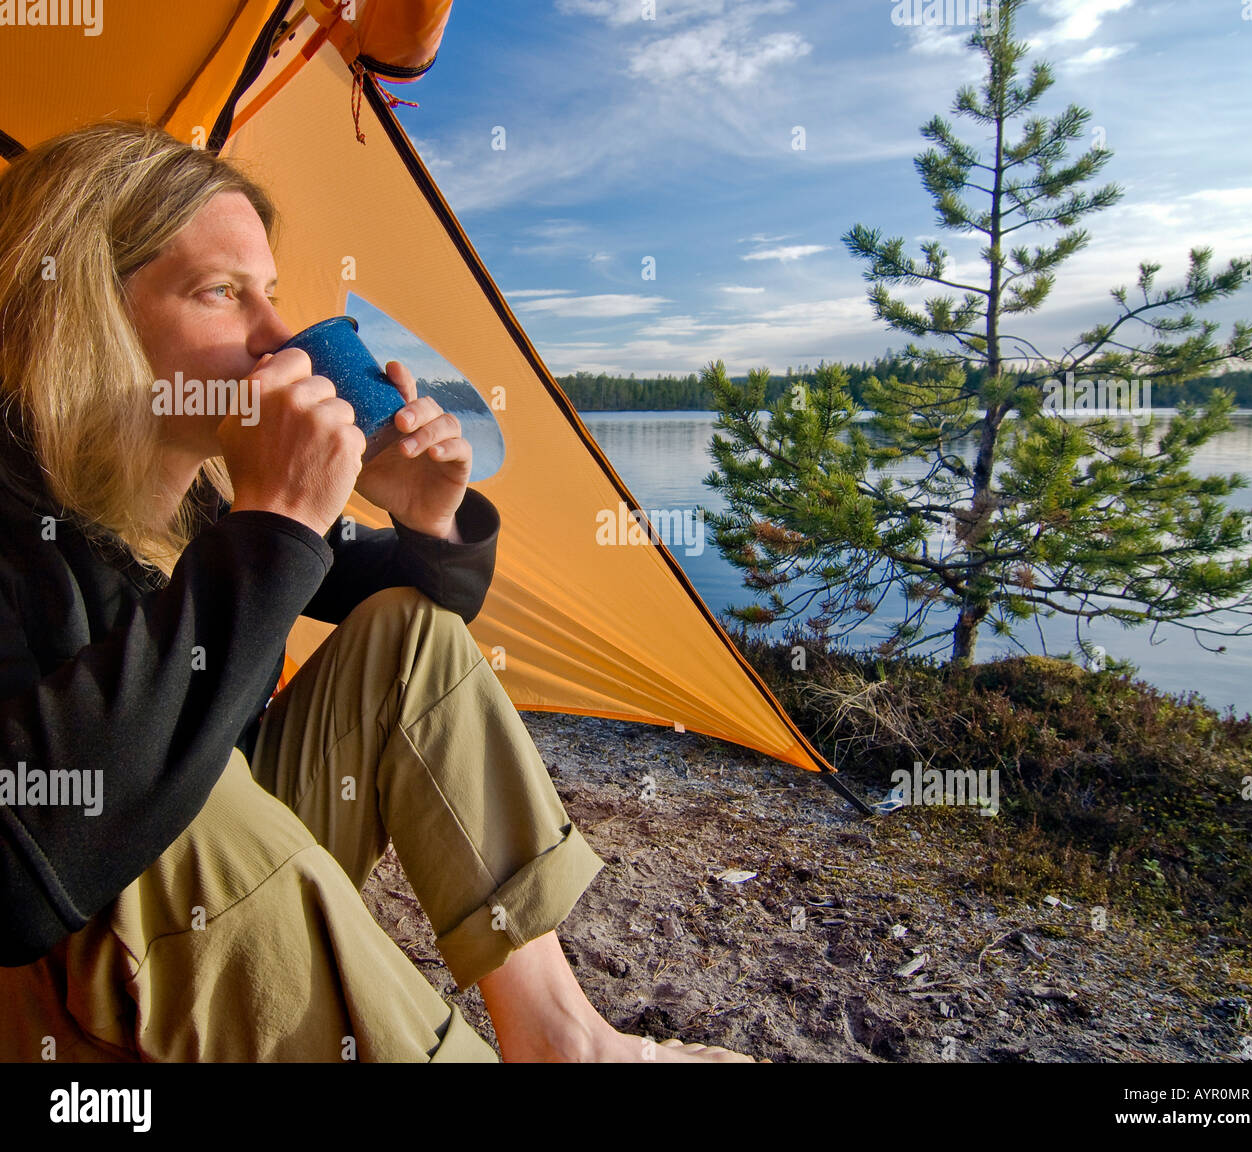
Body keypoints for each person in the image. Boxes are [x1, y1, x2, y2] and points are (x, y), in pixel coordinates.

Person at [0, 121, 754, 1062]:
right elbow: (23, 864)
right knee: (203, 809)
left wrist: (423, 516)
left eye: (270, 294)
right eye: (222, 293)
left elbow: (414, 598)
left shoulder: (200, 504)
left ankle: (565, 1039)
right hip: (60, 972)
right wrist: (272, 527)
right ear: (85, 315)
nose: (279, 339)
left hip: (217, 907)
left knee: (406, 635)